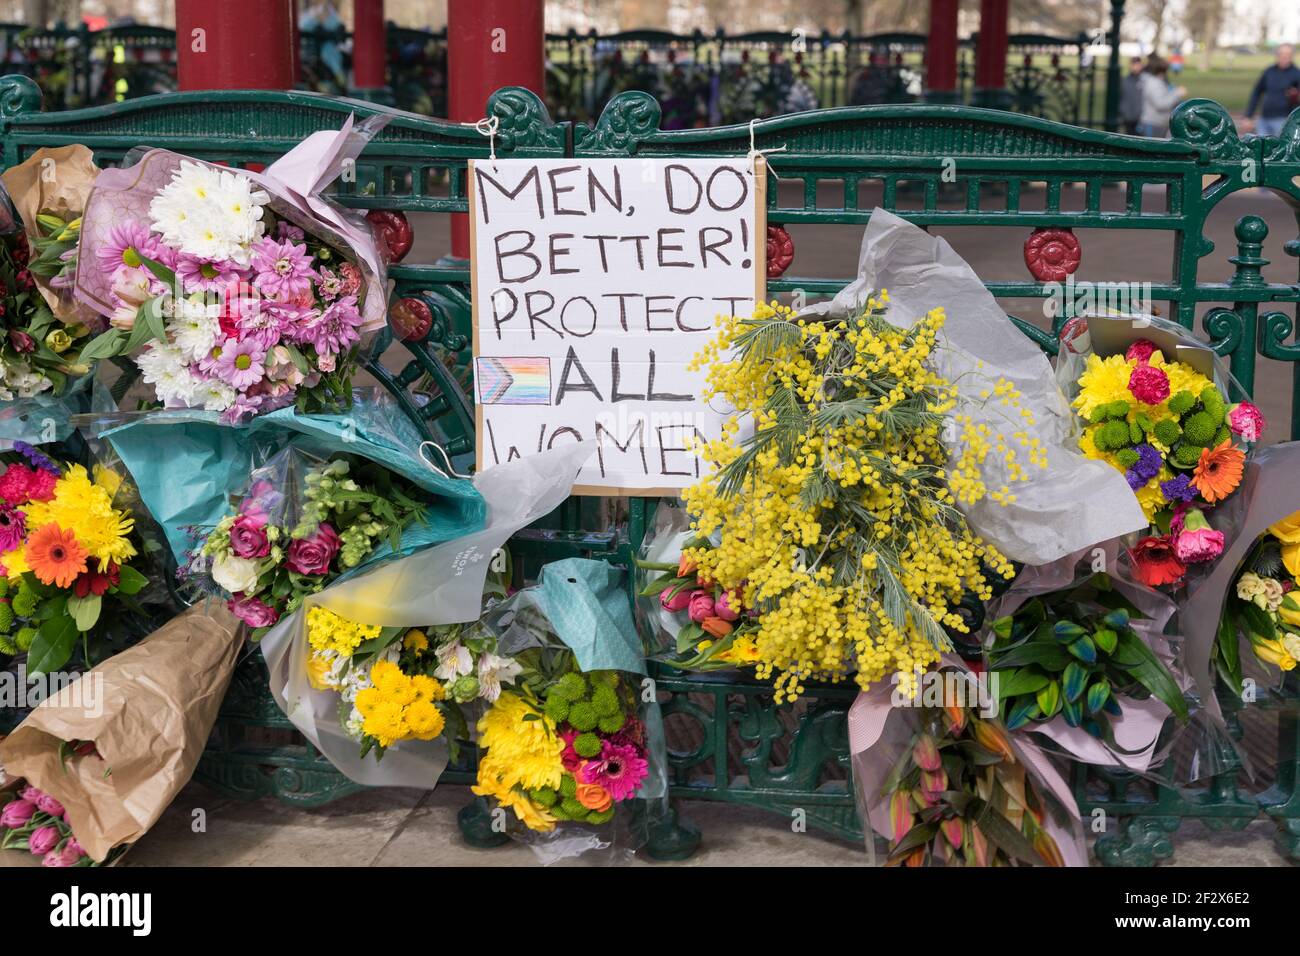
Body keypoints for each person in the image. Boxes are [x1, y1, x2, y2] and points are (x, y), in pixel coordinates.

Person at [1245, 44, 1300, 137]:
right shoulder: (1269, 71)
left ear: (1292, 56)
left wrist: (1294, 96)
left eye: (1287, 54)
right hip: (1264, 119)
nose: (1284, 57)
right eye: (1281, 54)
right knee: (1263, 149)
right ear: (1277, 55)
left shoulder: (1296, 74)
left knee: (1279, 150)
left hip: (1284, 120)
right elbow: (1257, 93)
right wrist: (1249, 116)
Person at [1138, 55, 1185, 137]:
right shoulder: (1154, 84)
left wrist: (1174, 92)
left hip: (1159, 124)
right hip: (1153, 124)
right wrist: (1177, 94)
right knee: (1152, 149)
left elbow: (1165, 97)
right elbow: (1160, 104)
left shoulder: (1158, 82)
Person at [1119, 57, 1145, 135]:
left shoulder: (1144, 81)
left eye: (1138, 65)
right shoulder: (1124, 81)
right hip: (1128, 117)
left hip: (1141, 118)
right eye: (1134, 65)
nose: (1136, 67)